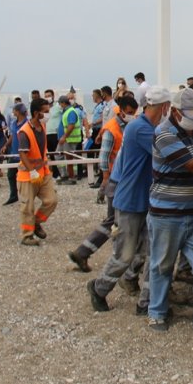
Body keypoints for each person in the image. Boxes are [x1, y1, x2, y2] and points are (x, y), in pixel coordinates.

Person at [86, 86, 171, 313]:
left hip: (145, 201)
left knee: (149, 253)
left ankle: (147, 301)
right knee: (124, 256)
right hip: (131, 202)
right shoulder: (140, 129)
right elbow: (166, 154)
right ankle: (99, 288)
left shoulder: (144, 127)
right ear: (164, 107)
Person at [146, 88, 193, 336]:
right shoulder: (162, 133)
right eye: (189, 115)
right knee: (162, 265)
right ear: (175, 112)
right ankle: (156, 312)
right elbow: (192, 165)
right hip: (166, 215)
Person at [68, 95, 138, 272]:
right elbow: (104, 157)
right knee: (113, 220)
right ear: (121, 110)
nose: (132, 115)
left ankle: (85, 252)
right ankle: (91, 253)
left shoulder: (127, 126)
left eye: (133, 112)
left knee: (113, 220)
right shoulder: (112, 129)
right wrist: (106, 179)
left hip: (122, 178)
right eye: (129, 113)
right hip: (116, 179)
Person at [16, 97, 58, 246]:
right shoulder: (24, 132)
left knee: (51, 201)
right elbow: (22, 154)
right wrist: (32, 170)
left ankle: (36, 223)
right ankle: (27, 236)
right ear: (36, 113)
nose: (48, 114)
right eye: (45, 112)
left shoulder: (42, 127)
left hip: (43, 172)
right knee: (27, 206)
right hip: (27, 175)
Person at [2, 102, 28, 206]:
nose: (12, 112)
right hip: (13, 153)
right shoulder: (13, 123)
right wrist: (6, 145)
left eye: (14, 110)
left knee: (25, 176)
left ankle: (28, 196)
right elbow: (12, 136)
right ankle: (13, 196)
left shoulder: (27, 123)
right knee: (10, 175)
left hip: (24, 154)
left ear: (18, 112)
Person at [56, 95, 83, 183]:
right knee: (58, 155)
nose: (60, 105)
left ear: (63, 103)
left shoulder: (71, 111)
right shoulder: (66, 111)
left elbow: (71, 126)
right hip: (65, 139)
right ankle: (65, 175)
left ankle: (71, 177)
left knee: (69, 158)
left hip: (70, 140)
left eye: (60, 103)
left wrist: (64, 137)